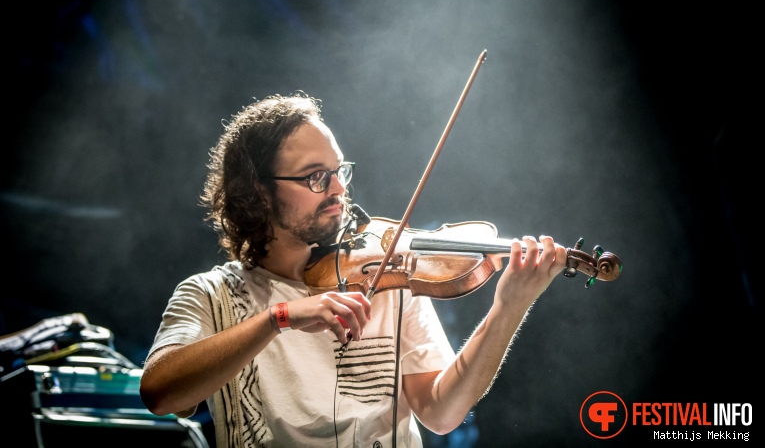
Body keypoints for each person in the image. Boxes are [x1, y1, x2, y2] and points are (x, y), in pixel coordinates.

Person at [139, 92, 568, 448]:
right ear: (259, 193)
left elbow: (441, 412)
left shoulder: (386, 277)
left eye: (339, 171)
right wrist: (279, 319)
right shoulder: (211, 295)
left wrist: (509, 308)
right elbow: (159, 393)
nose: (339, 189)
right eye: (315, 177)